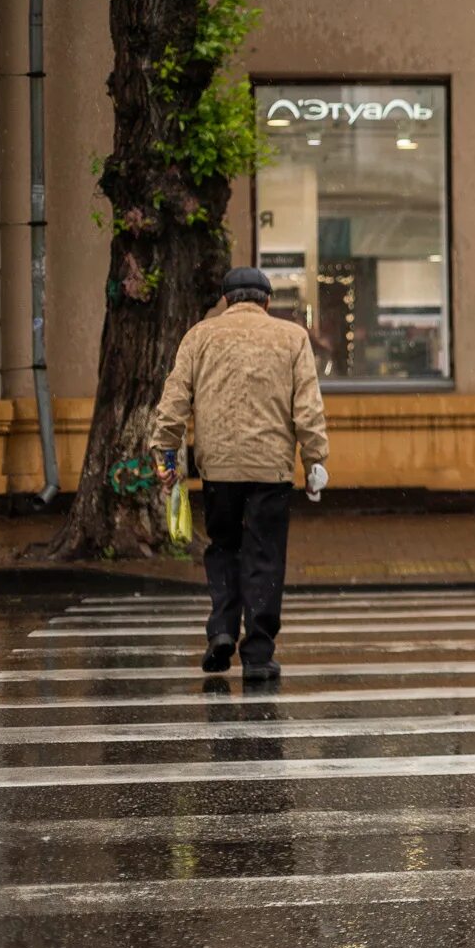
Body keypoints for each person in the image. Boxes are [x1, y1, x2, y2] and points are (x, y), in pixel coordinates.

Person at [152, 266, 330, 682]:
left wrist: (165, 453)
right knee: (264, 557)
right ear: (266, 301)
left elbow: (174, 399)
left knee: (224, 547)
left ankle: (222, 630)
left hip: (218, 467)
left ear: (226, 300)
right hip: (271, 469)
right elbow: (308, 405)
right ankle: (258, 653)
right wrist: (316, 458)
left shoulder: (199, 336)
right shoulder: (292, 338)